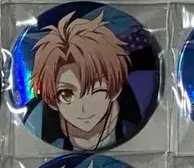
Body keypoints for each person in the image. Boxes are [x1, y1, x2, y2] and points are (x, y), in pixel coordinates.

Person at [27, 13, 139, 150]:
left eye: (96, 90)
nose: (83, 109)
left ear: (115, 90)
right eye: (67, 94)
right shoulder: (37, 125)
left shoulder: (138, 108)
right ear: (52, 101)